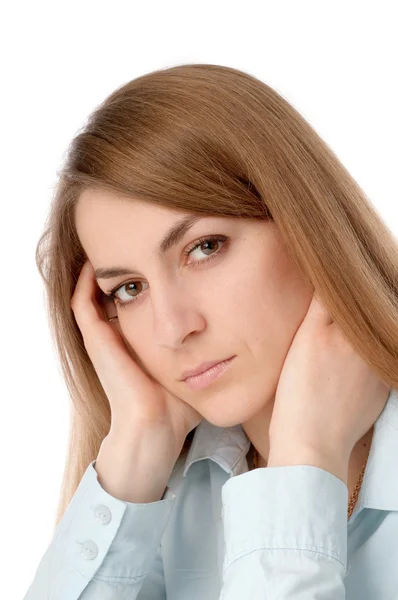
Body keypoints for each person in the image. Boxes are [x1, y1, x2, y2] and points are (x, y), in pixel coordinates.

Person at [24, 64, 398, 599]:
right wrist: (135, 449)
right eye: (129, 288)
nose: (173, 329)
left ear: (307, 223)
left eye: (205, 248)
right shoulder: (171, 494)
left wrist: (304, 459)